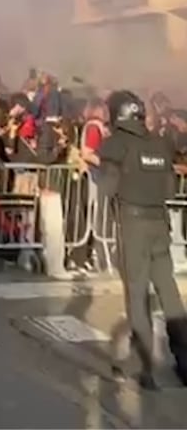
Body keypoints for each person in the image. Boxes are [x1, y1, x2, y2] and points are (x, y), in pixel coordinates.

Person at [95, 89, 187, 390]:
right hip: (159, 224)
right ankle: (184, 362)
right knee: (169, 292)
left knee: (137, 293)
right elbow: (170, 190)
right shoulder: (160, 144)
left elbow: (107, 189)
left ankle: (144, 366)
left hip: (132, 225)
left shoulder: (115, 144)